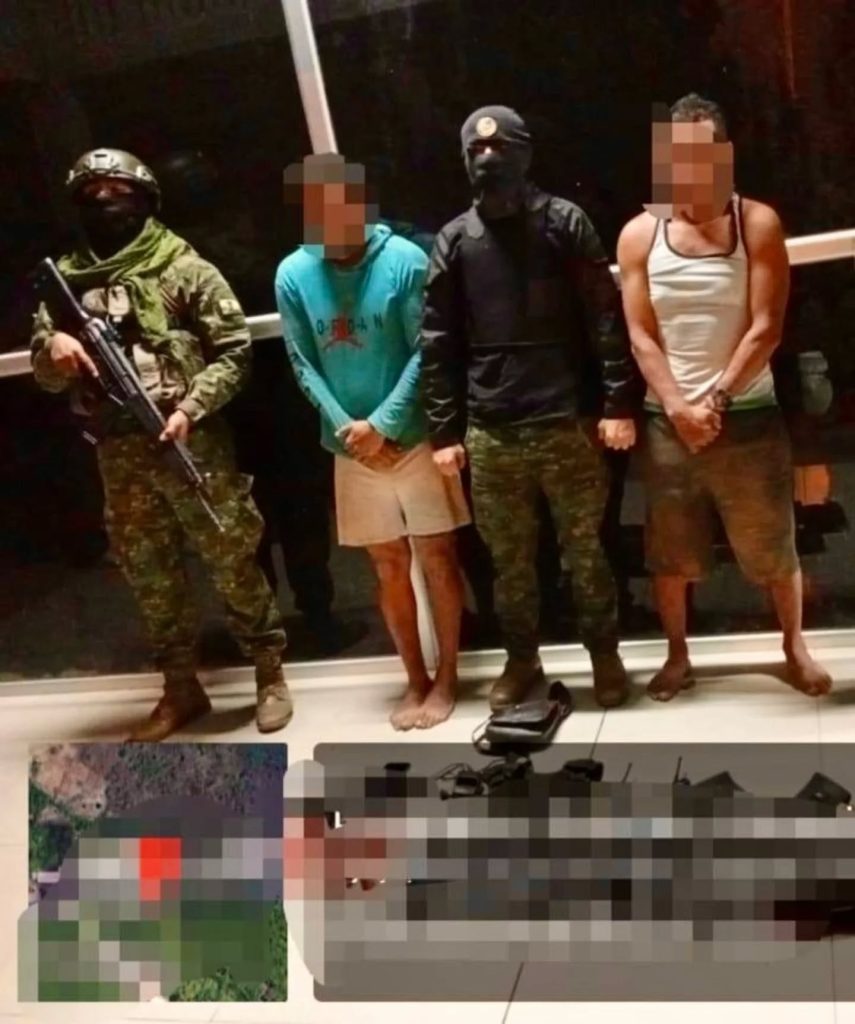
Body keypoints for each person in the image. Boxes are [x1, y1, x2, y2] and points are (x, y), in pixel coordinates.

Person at [30, 148, 292, 739]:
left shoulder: (183, 268)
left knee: (230, 556)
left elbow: (234, 353)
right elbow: (48, 378)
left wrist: (190, 408)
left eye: (117, 191)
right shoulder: (66, 285)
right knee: (148, 572)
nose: (104, 201)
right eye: (91, 193)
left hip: (189, 442)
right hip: (118, 451)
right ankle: (180, 688)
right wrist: (53, 349)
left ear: (145, 198)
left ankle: (269, 673)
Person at [420, 105, 641, 711]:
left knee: (587, 551)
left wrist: (617, 402)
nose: (488, 160)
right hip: (492, 429)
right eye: (476, 152)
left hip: (566, 421)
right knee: (509, 563)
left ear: (525, 154)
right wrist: (443, 431)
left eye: (500, 149)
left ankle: (605, 655)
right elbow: (437, 341)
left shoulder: (564, 222)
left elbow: (605, 318)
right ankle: (522, 660)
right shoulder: (455, 240)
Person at [616, 94, 832, 700]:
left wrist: (714, 402)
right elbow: (640, 335)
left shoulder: (756, 222)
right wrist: (678, 408)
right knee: (671, 554)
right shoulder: (640, 234)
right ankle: (677, 655)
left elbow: (767, 327)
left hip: (749, 417)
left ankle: (794, 646)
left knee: (773, 548)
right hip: (669, 424)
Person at [275, 154, 470, 730]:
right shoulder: (293, 273)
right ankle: (414, 678)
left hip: (414, 436)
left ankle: (448, 676)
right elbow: (301, 361)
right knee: (387, 565)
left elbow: (425, 350)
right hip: (349, 447)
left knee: (438, 557)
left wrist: (383, 423)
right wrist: (352, 430)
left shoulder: (405, 260)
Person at [155, 149, 366, 657]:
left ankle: (312, 616)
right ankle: (278, 625)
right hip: (230, 404)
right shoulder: (182, 255)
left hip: (273, 395)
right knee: (256, 520)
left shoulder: (230, 240)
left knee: (294, 514)